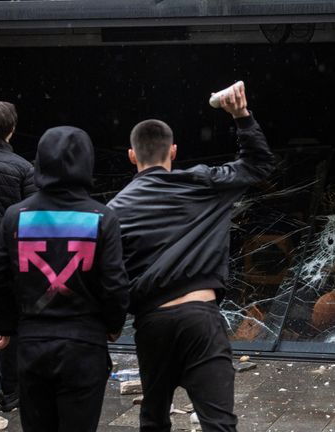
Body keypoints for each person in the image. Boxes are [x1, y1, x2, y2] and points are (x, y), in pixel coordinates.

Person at [107, 81, 274, 432]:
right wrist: (241, 115)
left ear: (132, 156)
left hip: (152, 325)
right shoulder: (201, 183)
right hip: (201, 319)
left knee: (153, 419)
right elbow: (258, 165)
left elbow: (109, 277)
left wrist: (108, 324)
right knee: (219, 424)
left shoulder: (114, 211)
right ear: (174, 151)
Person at [0, 126, 130, 432]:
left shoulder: (16, 216)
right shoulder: (102, 217)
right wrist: (113, 325)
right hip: (84, 345)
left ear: (39, 163)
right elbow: (115, 284)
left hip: (33, 343)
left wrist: (7, 326)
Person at [0, 101, 35, 417]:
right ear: (12, 130)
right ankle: (12, 393)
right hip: (4, 252)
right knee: (11, 319)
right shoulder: (24, 169)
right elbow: (30, 218)